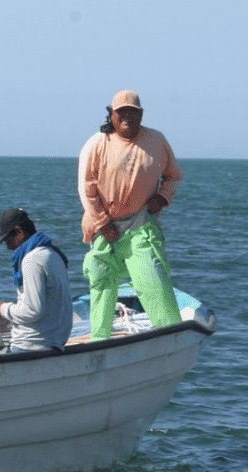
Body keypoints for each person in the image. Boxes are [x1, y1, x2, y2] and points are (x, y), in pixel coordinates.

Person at [78, 89, 183, 341]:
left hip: (140, 223)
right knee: (102, 280)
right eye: (122, 111)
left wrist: (162, 197)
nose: (127, 116)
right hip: (104, 226)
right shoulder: (97, 143)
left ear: (141, 114)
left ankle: (170, 333)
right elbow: (86, 188)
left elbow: (173, 176)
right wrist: (103, 223)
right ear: (112, 115)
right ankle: (100, 338)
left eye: (133, 112)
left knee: (150, 276)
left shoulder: (156, 141)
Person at [0, 208, 74, 352]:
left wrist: (2, 308)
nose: (8, 247)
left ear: (19, 231)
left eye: (7, 239)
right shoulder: (52, 253)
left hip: (31, 345)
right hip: (55, 340)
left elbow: (33, 310)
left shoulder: (31, 260)